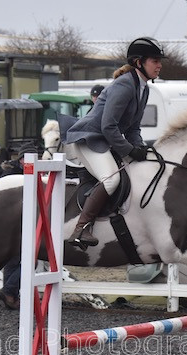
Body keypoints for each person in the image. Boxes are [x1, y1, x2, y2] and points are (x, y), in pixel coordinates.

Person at [64, 36, 164, 247]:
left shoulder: (143, 88)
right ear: (139, 62)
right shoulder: (125, 85)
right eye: (154, 60)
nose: (159, 65)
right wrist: (129, 149)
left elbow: (134, 128)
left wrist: (141, 149)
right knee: (111, 179)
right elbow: (108, 126)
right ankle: (80, 229)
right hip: (89, 139)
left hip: (105, 140)